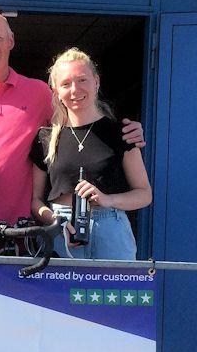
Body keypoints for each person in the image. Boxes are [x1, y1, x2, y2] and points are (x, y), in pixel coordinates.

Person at [0, 10, 144, 254]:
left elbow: (79, 124)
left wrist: (126, 131)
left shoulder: (40, 94)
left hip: (18, 235)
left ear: (11, 41)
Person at [30, 48, 152, 260]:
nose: (75, 89)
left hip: (110, 228)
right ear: (56, 91)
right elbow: (35, 202)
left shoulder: (121, 132)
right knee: (58, 294)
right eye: (66, 84)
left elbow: (144, 194)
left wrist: (108, 199)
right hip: (61, 229)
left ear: (96, 82)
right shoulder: (45, 138)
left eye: (82, 80)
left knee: (112, 293)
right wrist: (55, 221)